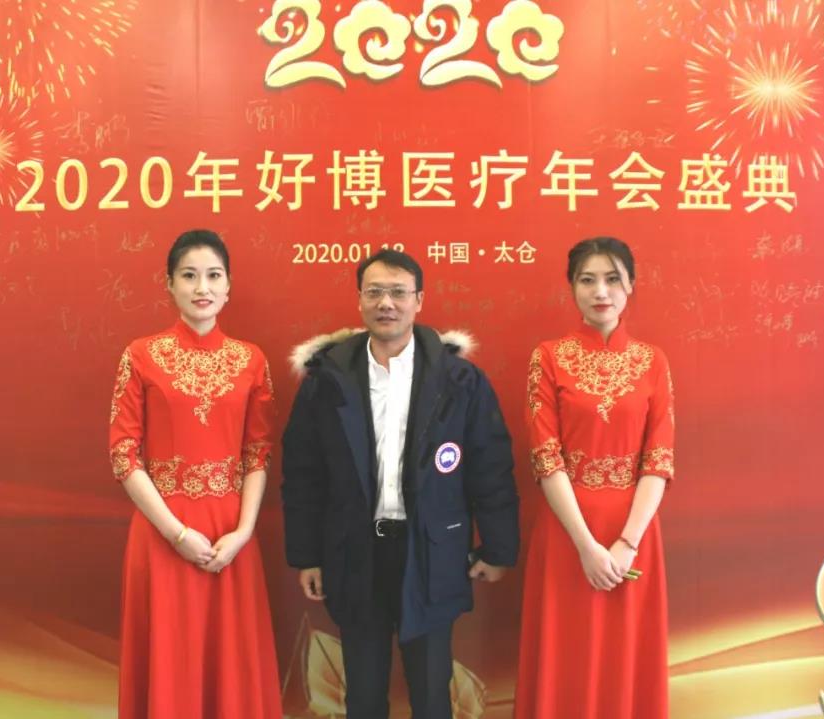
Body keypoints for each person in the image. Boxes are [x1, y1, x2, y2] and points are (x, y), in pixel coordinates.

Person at [281, 249, 519, 719]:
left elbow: (489, 466)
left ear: (419, 300)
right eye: (374, 292)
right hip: (356, 552)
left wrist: (497, 549)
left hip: (430, 551)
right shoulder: (328, 380)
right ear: (360, 300)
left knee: (432, 691)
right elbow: (305, 473)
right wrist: (307, 555)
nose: (386, 303)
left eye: (397, 292)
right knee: (363, 693)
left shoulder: (459, 380)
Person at [108, 229, 282, 718]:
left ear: (228, 286)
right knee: (170, 659)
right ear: (170, 284)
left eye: (213, 275)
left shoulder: (251, 360)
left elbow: (257, 453)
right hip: (162, 531)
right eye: (189, 276)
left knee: (231, 663)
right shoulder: (141, 355)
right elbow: (123, 455)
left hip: (231, 534)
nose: (202, 287)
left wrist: (243, 533)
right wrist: (177, 534)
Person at [514, 237, 675, 718]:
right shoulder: (548, 356)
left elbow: (659, 460)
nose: (600, 291)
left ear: (631, 286)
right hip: (568, 533)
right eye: (587, 280)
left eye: (612, 279)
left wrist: (627, 543)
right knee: (567, 654)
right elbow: (546, 458)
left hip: (634, 534)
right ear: (572, 287)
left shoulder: (653, 361)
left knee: (626, 657)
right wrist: (586, 546)